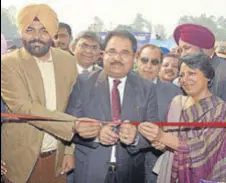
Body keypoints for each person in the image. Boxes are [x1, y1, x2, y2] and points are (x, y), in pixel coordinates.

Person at [0, 4, 86, 183]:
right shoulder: (8, 63)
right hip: (19, 160)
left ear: (53, 33)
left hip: (57, 159)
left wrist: (69, 150)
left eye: (43, 30)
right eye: (29, 30)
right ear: (22, 32)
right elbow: (23, 108)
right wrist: (73, 126)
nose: (36, 37)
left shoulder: (68, 61)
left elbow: (73, 105)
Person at [66, 30, 159, 183]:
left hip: (131, 173)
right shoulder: (84, 83)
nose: (117, 58)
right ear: (103, 54)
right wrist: (95, 135)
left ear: (134, 57)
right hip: (90, 171)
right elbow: (69, 126)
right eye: (112, 51)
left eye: (124, 53)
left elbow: (154, 132)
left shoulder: (146, 88)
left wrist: (135, 137)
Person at [139, 52, 226, 183]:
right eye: (181, 75)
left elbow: (204, 149)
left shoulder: (219, 109)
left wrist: (162, 137)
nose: (185, 79)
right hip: (171, 173)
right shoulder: (177, 102)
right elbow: (169, 141)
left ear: (208, 76)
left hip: (202, 176)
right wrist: (160, 144)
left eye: (191, 73)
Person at [173, 23, 226, 101]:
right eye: (180, 50)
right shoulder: (183, 72)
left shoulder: (222, 74)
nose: (182, 54)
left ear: (204, 49)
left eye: (187, 48)